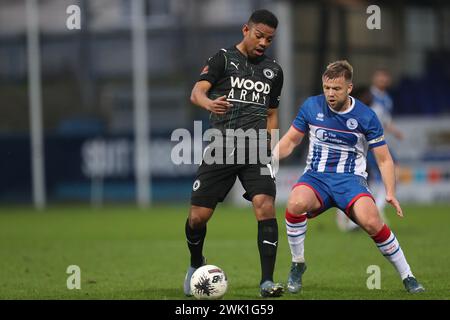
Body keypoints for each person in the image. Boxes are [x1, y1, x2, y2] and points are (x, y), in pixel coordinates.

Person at [273, 60, 424, 294]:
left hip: (350, 180)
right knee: (295, 203)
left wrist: (391, 192)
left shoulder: (366, 116)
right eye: (327, 88)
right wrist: (270, 159)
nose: (330, 94)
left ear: (349, 88)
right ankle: (298, 263)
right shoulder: (312, 106)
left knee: (373, 223)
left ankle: (408, 276)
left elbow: (384, 159)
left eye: (337, 89)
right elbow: (291, 140)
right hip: (316, 177)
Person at [184, 9, 285, 297]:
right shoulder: (222, 59)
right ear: (245, 30)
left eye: (270, 38)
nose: (264, 42)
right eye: (259, 35)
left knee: (265, 205)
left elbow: (272, 112)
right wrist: (209, 104)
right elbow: (197, 92)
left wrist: (270, 146)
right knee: (198, 218)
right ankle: (195, 264)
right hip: (222, 146)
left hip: (255, 148)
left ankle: (267, 281)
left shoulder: (274, 70)